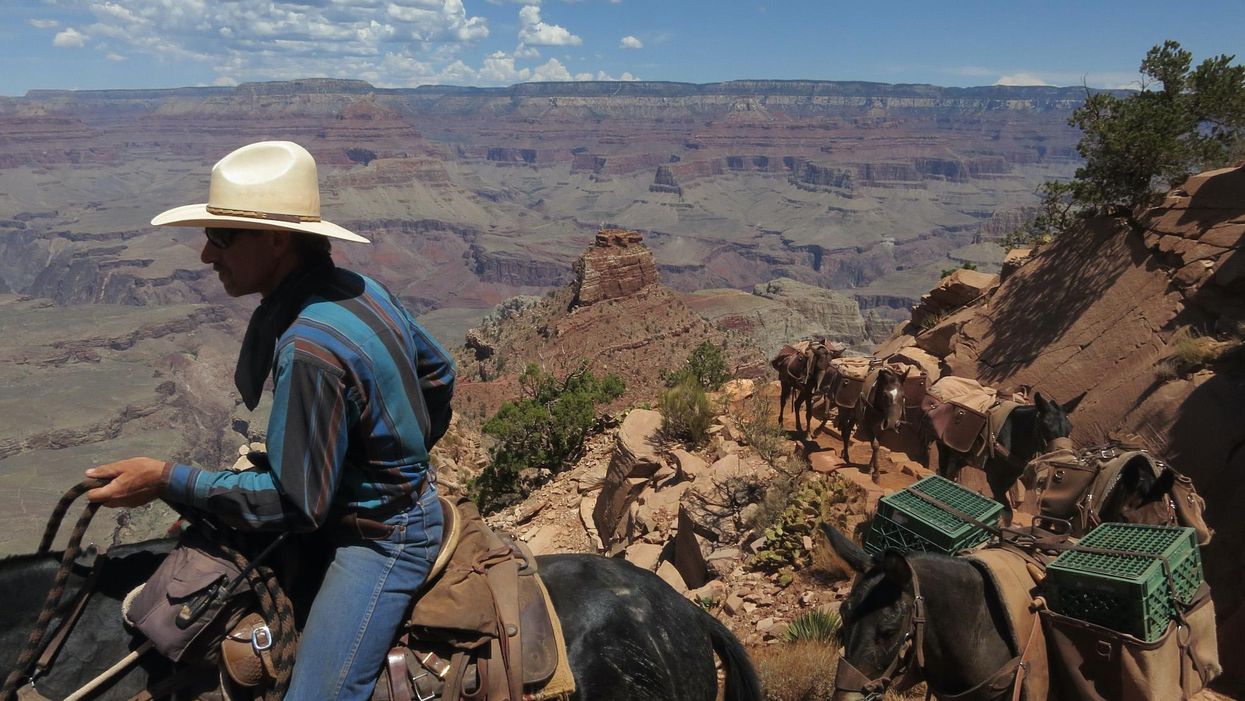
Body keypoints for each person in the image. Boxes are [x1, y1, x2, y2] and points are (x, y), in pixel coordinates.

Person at [84, 140, 453, 699]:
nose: (208, 256)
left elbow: (296, 505)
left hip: (382, 539)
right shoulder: (358, 288)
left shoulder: (309, 344)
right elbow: (439, 374)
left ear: (278, 240)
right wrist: (383, 452)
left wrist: (165, 478)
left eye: (222, 237)